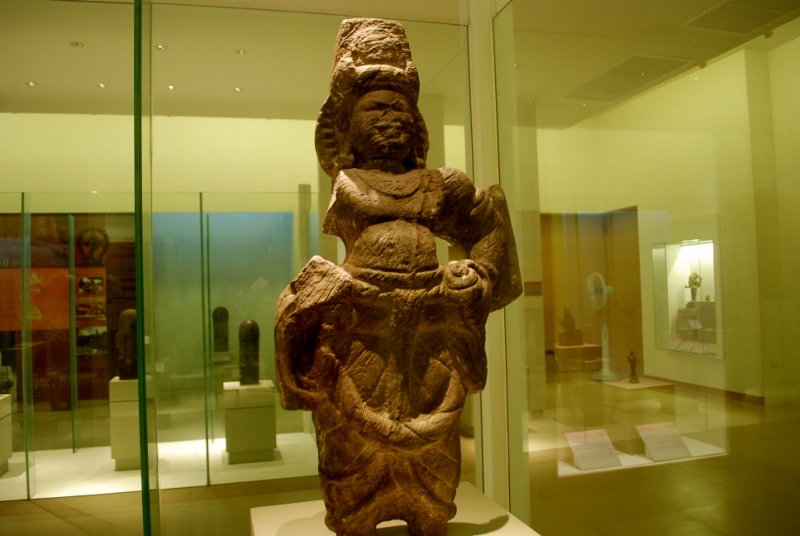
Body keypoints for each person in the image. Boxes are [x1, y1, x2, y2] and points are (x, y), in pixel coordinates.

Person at [275, 18, 521, 536]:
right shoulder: (348, 183)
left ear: (417, 123)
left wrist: (477, 274)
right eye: (375, 109)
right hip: (361, 330)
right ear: (345, 128)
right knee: (352, 454)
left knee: (432, 472)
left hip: (431, 334)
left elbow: (489, 223)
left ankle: (426, 511)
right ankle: (357, 513)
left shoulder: (441, 185)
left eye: (399, 108)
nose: (390, 119)